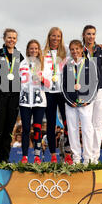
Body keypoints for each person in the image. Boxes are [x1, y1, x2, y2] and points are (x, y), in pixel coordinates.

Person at [82, 25, 102, 164]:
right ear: (83, 35)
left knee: (98, 124)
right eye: (88, 34)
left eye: (93, 34)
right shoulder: (79, 50)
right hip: (85, 91)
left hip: (101, 90)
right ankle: (86, 157)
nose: (91, 36)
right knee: (86, 125)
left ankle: (95, 158)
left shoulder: (101, 50)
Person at [62, 39, 98, 165]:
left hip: (85, 103)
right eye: (72, 49)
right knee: (72, 130)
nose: (75, 51)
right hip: (71, 104)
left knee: (87, 130)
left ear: (82, 50)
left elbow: (95, 84)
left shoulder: (90, 64)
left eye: (77, 49)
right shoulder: (67, 66)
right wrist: (69, 101)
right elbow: (63, 86)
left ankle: (88, 159)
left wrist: (88, 101)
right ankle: (76, 158)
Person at [0, 28, 24, 163]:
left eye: (14, 38)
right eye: (9, 37)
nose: (11, 40)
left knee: (8, 130)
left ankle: (4, 158)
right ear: (4, 38)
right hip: (0, 96)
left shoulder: (19, 56)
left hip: (14, 97)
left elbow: (24, 76)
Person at [41, 27, 72, 163]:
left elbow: (82, 49)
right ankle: (53, 153)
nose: (55, 38)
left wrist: (98, 46)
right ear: (49, 37)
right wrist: (42, 80)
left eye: (58, 36)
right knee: (51, 123)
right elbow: (37, 70)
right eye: (53, 36)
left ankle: (67, 151)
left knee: (67, 122)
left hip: (63, 92)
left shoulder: (66, 50)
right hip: (49, 92)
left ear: (61, 37)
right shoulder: (43, 52)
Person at [18, 39, 47, 164]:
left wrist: (42, 79)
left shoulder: (43, 64)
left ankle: (36, 156)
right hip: (24, 100)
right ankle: (24, 156)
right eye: (31, 48)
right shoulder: (22, 63)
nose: (34, 50)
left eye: (36, 48)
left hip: (39, 101)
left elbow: (50, 84)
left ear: (39, 50)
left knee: (37, 129)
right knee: (25, 129)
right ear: (27, 50)